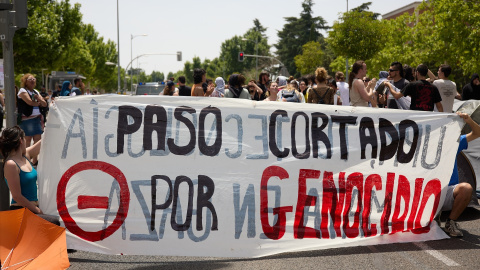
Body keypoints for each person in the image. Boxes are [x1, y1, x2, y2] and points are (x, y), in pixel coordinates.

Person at [0, 126, 59, 225]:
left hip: (32, 209)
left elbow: (43, 143)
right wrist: (37, 210)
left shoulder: (26, 155)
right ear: (21, 141)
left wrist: (52, 127)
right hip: (20, 210)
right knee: (54, 222)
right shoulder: (11, 164)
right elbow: (17, 196)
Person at [437, 112, 480, 237]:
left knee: (466, 188)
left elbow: (477, 133)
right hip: (430, 192)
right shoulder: (423, 144)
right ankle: (433, 218)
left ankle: (451, 222)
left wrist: (469, 121)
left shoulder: (454, 143)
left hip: (449, 192)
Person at [17, 74, 47, 149]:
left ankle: (34, 160)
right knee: (27, 140)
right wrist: (39, 103)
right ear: (25, 81)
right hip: (27, 119)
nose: (33, 80)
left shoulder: (36, 91)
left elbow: (44, 104)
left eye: (34, 79)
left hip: (37, 118)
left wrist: (39, 99)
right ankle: (26, 157)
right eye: (30, 79)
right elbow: (29, 102)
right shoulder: (22, 91)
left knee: (38, 140)